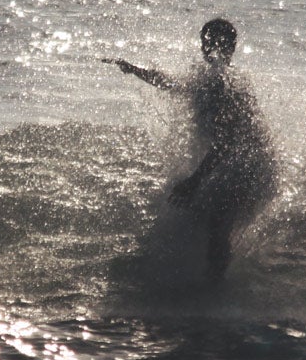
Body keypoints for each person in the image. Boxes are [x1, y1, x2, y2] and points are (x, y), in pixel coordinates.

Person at [106, 17, 275, 281]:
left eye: (207, 42)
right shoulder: (218, 79)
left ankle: (213, 294)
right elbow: (173, 85)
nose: (205, 47)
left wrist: (195, 181)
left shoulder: (221, 84)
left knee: (217, 224)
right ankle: (212, 285)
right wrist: (134, 70)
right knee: (210, 221)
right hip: (251, 164)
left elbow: (227, 142)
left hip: (248, 168)